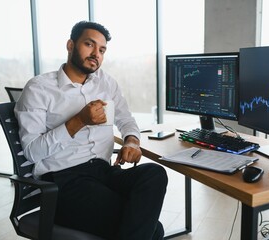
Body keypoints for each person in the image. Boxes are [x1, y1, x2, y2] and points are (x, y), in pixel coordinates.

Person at [15, 21, 168, 240]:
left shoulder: (107, 83)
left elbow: (126, 119)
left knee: (155, 173)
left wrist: (132, 141)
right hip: (64, 181)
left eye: (102, 50)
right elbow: (32, 152)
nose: (96, 53)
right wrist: (79, 120)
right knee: (154, 230)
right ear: (70, 45)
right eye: (89, 44)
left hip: (103, 172)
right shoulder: (39, 88)